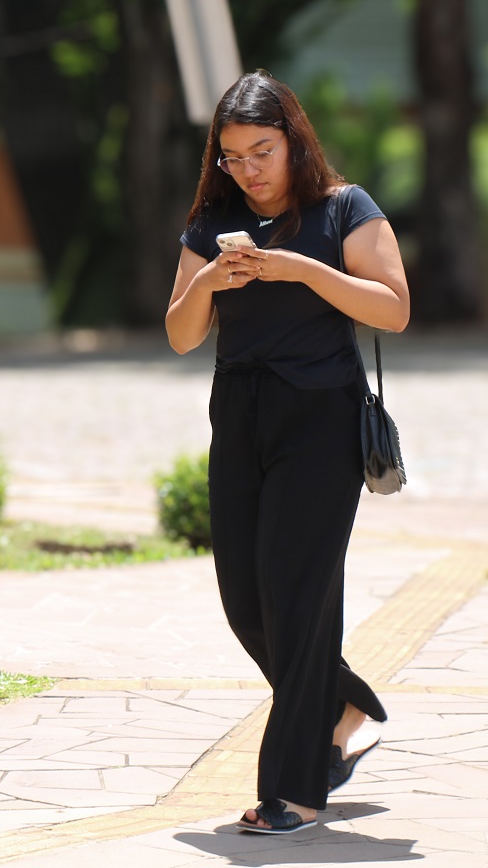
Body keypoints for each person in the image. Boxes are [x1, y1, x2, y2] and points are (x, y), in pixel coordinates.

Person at [165, 70, 410, 834]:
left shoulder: (344, 208)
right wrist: (211, 277)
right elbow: (179, 333)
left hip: (321, 419)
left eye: (262, 151)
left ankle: (295, 787)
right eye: (234, 157)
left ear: (293, 140)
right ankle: (338, 704)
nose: (250, 170)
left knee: (298, 597)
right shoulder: (213, 220)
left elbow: (395, 309)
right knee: (247, 600)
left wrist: (301, 267)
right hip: (238, 414)